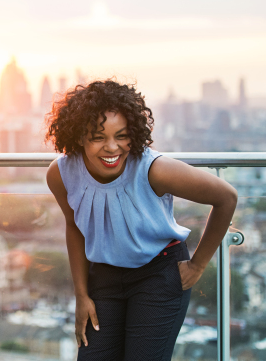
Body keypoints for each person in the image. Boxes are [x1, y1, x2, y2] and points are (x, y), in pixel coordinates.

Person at [45, 81, 238, 360]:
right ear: (78, 137)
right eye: (98, 137)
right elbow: (75, 226)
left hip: (157, 273)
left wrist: (198, 266)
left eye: (122, 136)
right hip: (104, 276)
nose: (112, 148)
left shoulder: (154, 169)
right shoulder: (61, 174)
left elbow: (226, 198)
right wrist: (81, 295)